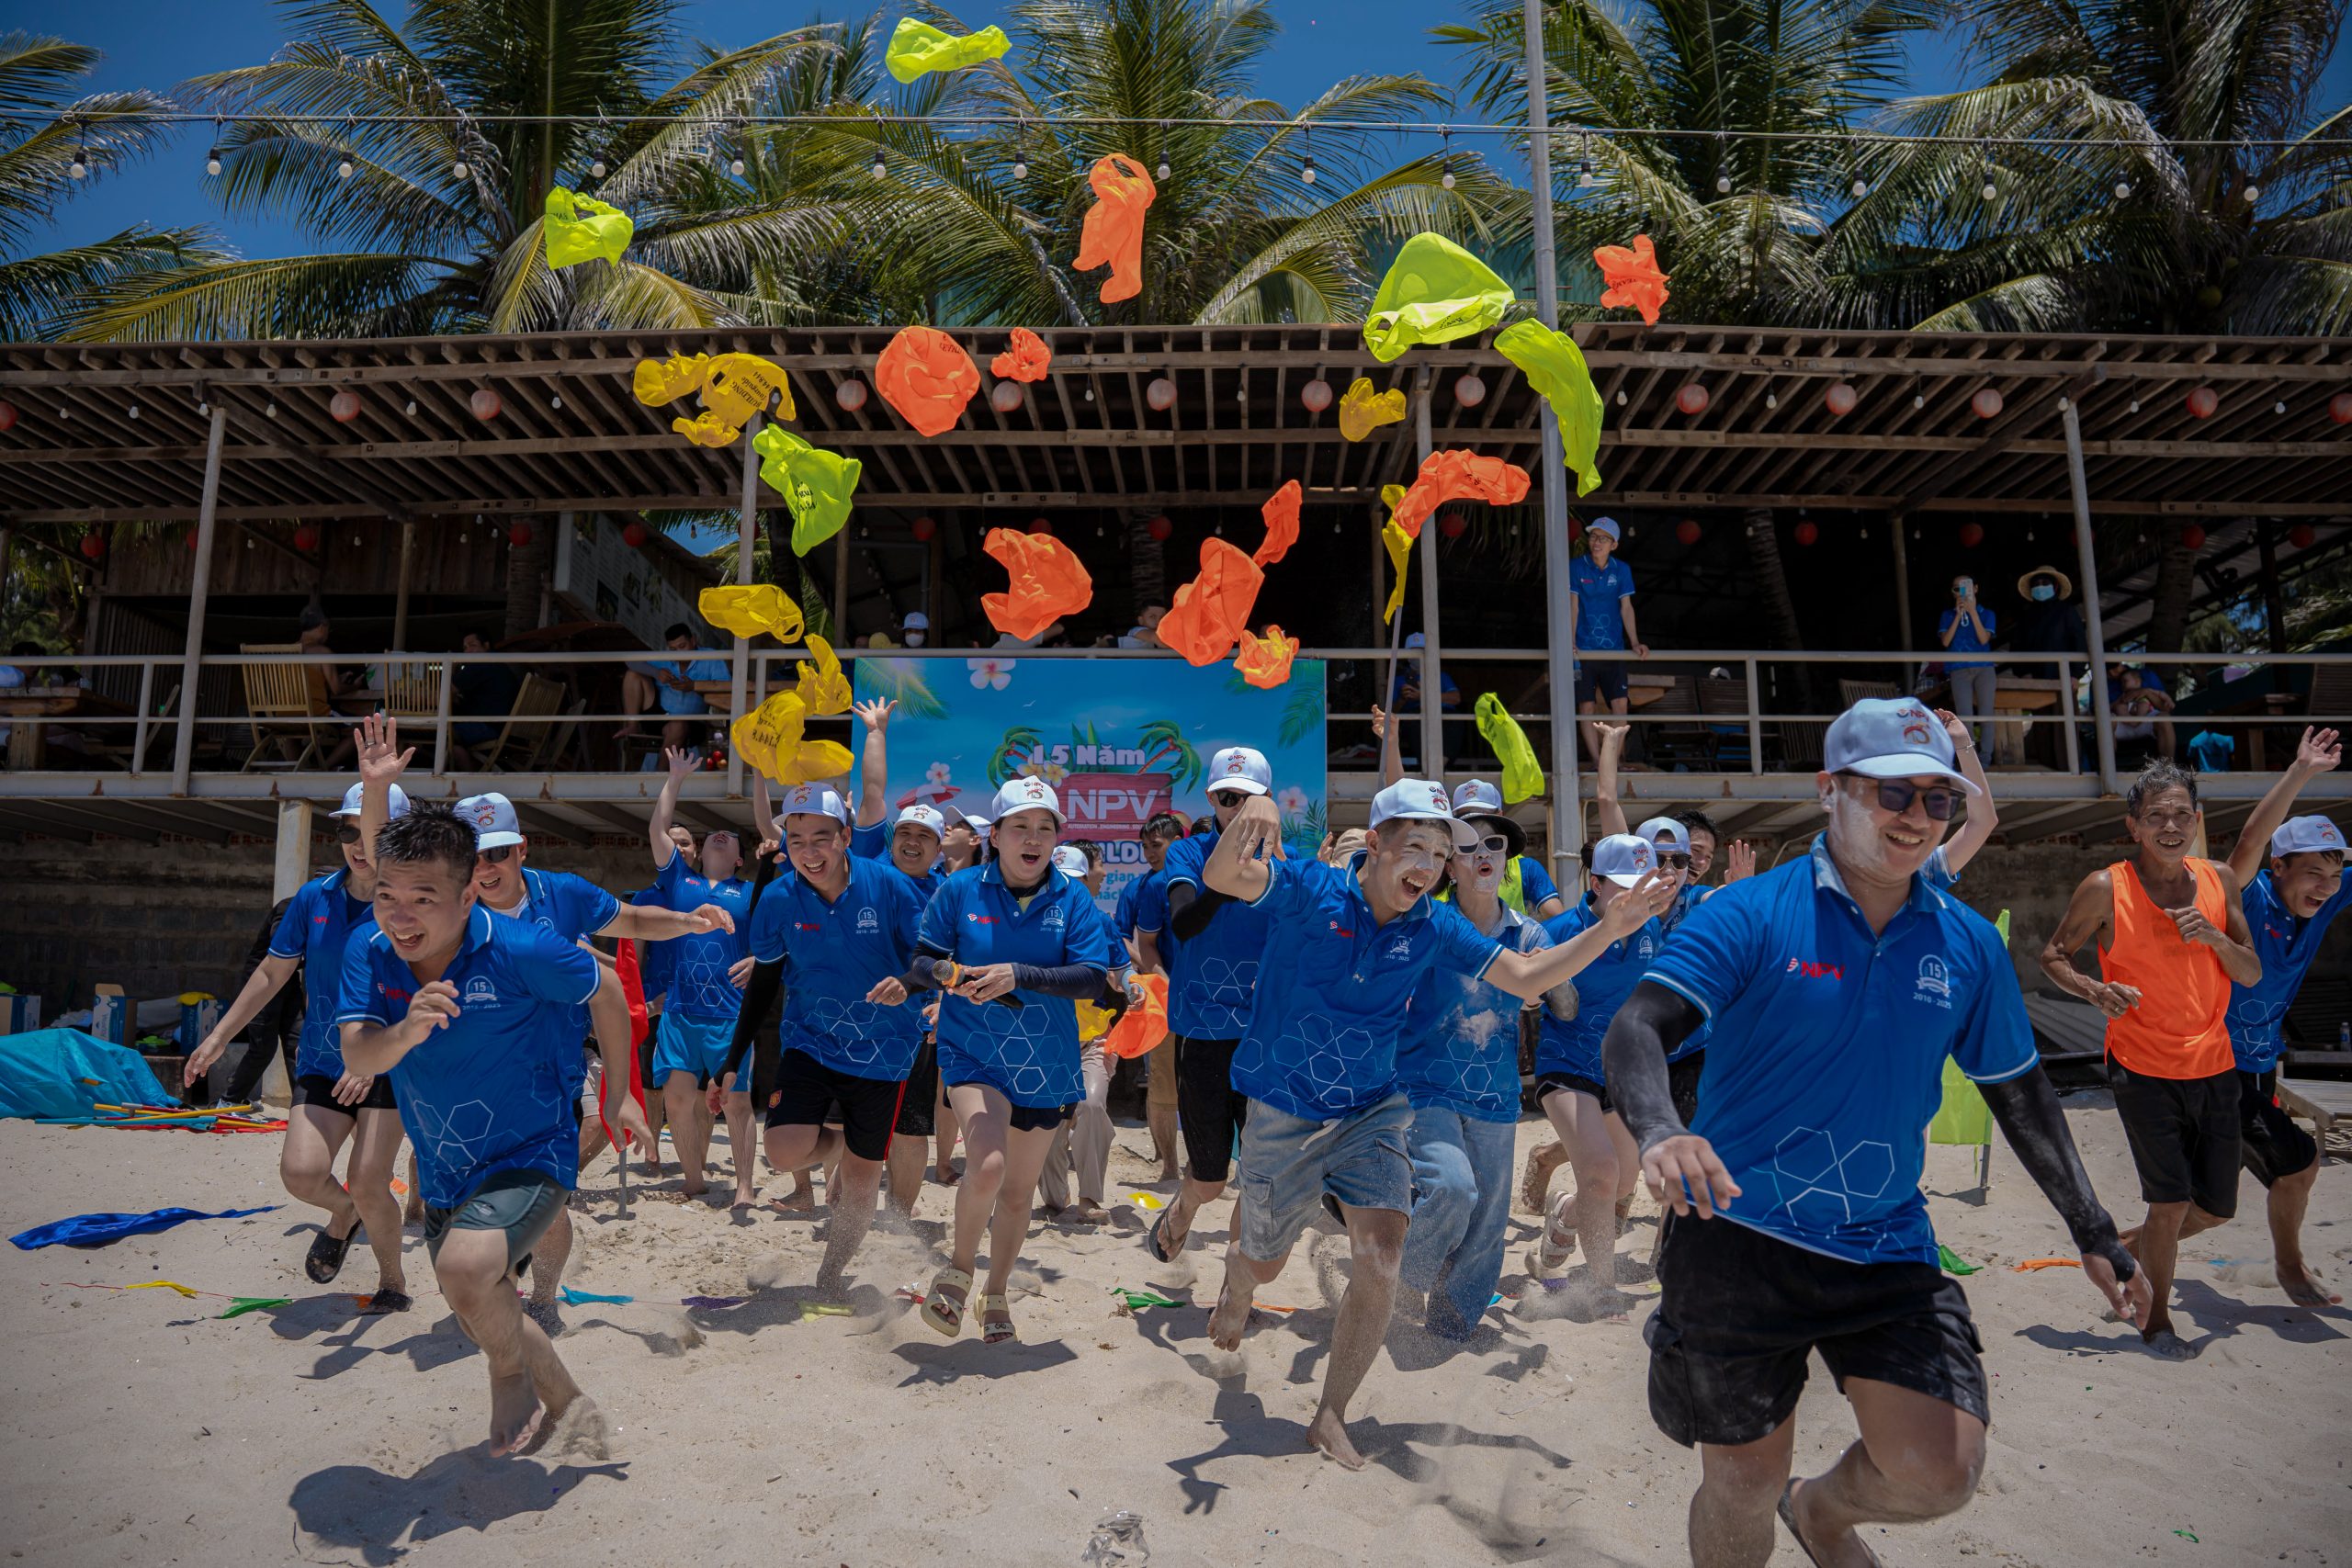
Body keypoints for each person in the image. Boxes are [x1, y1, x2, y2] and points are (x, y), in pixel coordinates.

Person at [1601, 696, 2149, 1568]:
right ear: (1831, 789)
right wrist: (1662, 1128)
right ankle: (1775, 1499)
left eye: (1938, 798)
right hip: (1738, 1235)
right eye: (1893, 793)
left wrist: (2093, 1227)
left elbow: (2020, 1091)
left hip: (1884, 1239)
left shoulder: (1967, 943)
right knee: (1741, 1480)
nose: (1917, 817)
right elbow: (1637, 1025)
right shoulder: (1750, 912)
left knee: (1942, 1469)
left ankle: (1819, 1509)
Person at [1195, 778, 1668, 1470]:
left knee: (1383, 1256)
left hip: (1373, 1109)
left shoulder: (1434, 926)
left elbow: (1527, 977)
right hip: (1284, 1108)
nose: (1428, 864)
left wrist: (1609, 929)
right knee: (1264, 1261)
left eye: (1441, 853)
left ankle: (1331, 1413)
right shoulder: (1311, 889)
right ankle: (1238, 1285)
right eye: (1415, 845)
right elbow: (1222, 876)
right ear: (1376, 843)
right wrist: (1255, 813)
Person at [338, 805, 636, 1456]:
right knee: (481, 1303)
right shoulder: (370, 949)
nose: (400, 916)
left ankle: (508, 1376)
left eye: (423, 898)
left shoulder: (521, 947)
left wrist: (617, 1098)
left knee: (466, 1271)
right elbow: (358, 1055)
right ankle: (570, 1404)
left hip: (533, 1150)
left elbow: (608, 989)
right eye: (387, 896)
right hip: (447, 1166)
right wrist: (405, 1030)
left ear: (468, 894)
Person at [2040, 760, 2261, 1359]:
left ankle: (2121, 1248)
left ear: (2197, 820)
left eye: (2182, 815)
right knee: (2170, 1204)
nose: (2170, 826)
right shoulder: (2105, 887)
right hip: (2141, 1067)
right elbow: (2054, 954)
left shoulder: (2219, 880)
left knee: (2216, 1209)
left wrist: (2214, 936)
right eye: (2156, 815)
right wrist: (2094, 990)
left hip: (2215, 1064)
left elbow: (2250, 971)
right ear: (2133, 825)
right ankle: (2156, 1321)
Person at [891, 778, 1120, 1343]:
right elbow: (922, 962)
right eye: (1020, 827)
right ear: (995, 836)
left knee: (1018, 1193)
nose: (1033, 838)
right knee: (988, 1165)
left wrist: (1019, 974)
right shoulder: (959, 889)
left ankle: (995, 1293)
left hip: (1045, 1062)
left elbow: (1092, 978)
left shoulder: (1073, 899)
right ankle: (957, 1272)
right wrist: (950, 974)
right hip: (973, 1050)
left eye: (1045, 828)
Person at [182, 781, 414, 1308]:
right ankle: (344, 1213)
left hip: (390, 1068)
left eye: (370, 833)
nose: (358, 845)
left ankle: (391, 1282)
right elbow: (272, 972)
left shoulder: (414, 906)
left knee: (369, 1181)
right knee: (301, 1174)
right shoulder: (314, 898)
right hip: (324, 1061)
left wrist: (374, 1057)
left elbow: (425, 991)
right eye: (347, 833)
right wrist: (218, 1037)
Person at [725, 783, 928, 1289]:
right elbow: (765, 981)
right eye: (796, 840)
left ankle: (830, 1275)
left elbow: (929, 959)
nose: (809, 852)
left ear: (846, 837)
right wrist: (732, 1058)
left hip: (885, 1050)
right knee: (782, 1152)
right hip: (811, 1041)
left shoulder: (891, 887)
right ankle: (841, 1144)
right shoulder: (777, 898)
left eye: (821, 838)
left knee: (861, 1183)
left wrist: (909, 984)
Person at [1396, 824, 1580, 1341]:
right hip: (1425, 1085)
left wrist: (1546, 981)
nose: (1483, 853)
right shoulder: (1427, 921)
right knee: (1453, 1188)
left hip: (1495, 1094)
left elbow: (1567, 1008)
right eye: (1469, 846)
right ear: (1450, 865)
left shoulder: (1530, 934)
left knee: (1488, 1220)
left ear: (1506, 863)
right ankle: (1397, 1281)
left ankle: (1453, 1321)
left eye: (1494, 845)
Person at [2219, 728, 2346, 1307]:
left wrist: (2331, 879)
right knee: (2297, 1165)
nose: (2326, 887)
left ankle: (2124, 1251)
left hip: (2260, 1067)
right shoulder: (2249, 898)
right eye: (2313, 873)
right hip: (2215, 1066)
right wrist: (2301, 771)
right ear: (2278, 867)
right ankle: (2290, 1269)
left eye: (2335, 875)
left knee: (2217, 1198)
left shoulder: (2324, 900)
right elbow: (2249, 842)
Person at [1139, 747, 1280, 1265]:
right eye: (1226, 797)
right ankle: (1182, 1211)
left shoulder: (1285, 859)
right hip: (1203, 1030)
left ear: (1266, 802)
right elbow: (1183, 924)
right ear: (1211, 800)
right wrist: (1230, 872)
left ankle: (1234, 1285)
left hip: (1265, 1035)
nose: (1235, 808)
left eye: (1246, 799)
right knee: (1210, 1177)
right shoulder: (1187, 854)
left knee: (1259, 1175)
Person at [1526, 834, 1675, 1308]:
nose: (1637, 896)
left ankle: (1566, 1215)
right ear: (1596, 884)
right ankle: (1601, 1289)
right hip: (1567, 1064)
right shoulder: (1559, 930)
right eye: (1626, 886)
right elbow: (1526, 990)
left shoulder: (1653, 930)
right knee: (1600, 1171)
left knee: (1622, 1184)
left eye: (1645, 885)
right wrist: (1534, 990)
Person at [646, 746, 758, 1200]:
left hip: (730, 1014)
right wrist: (675, 778)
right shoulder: (680, 880)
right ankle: (694, 1181)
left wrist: (760, 961)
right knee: (676, 1100)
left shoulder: (751, 892)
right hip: (680, 1012)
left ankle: (745, 1186)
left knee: (736, 1101)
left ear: (739, 859)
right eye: (713, 833)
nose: (719, 835)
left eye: (730, 837)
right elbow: (657, 829)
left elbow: (784, 937)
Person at [1123, 810, 1186, 1179]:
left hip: (1208, 999)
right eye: (1144, 846)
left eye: (1155, 845)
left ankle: (1202, 1165)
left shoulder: (1209, 880)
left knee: (1206, 1084)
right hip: (1161, 995)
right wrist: (1154, 977)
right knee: (1161, 1081)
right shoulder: (1144, 887)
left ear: (1178, 842)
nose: (1148, 853)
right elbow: (1127, 938)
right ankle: (1168, 1166)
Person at [207, 894, 302, 1106]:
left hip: (290, 981)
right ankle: (229, 1100)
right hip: (263, 981)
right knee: (263, 1049)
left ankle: (302, 1104)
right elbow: (280, 941)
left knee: (298, 1045)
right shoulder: (291, 906)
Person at [1568, 516, 1648, 766]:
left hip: (1614, 650)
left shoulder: (1621, 569)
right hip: (1583, 651)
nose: (1597, 542)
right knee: (1586, 707)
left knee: (1620, 705)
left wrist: (1635, 642)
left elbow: (1627, 607)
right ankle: (1596, 761)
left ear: (1614, 545)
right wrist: (1570, 641)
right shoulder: (1576, 567)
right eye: (1593, 536)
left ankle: (1612, 762)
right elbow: (1573, 606)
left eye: (1604, 538)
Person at [619, 623, 729, 756]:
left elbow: (725, 689)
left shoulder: (711, 657)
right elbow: (630, 661)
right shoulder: (665, 658)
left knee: (678, 726)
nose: (678, 653)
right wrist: (656, 673)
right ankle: (632, 726)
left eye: (682, 646)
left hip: (692, 723)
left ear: (693, 640)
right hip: (660, 716)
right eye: (673, 649)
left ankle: (661, 770)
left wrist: (694, 686)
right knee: (632, 675)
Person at [1939, 575, 1999, 761]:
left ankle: (1986, 756)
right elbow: (1945, 641)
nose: (1961, 592)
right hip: (1958, 668)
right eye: (1957, 589)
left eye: (1965, 587)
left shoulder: (1987, 613)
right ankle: (1969, 759)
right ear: (1952, 592)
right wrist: (1958, 615)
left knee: (1986, 713)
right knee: (1965, 717)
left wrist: (1972, 612)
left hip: (1984, 667)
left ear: (1976, 589)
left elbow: (1984, 639)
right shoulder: (1948, 615)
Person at [446, 630, 522, 772]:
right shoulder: (497, 664)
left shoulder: (482, 661)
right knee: (449, 738)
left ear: (486, 646)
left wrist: (451, 668)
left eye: (472, 645)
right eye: (465, 648)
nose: (468, 651)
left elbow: (447, 691)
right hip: (504, 729)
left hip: (490, 728)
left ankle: (469, 773)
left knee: (442, 734)